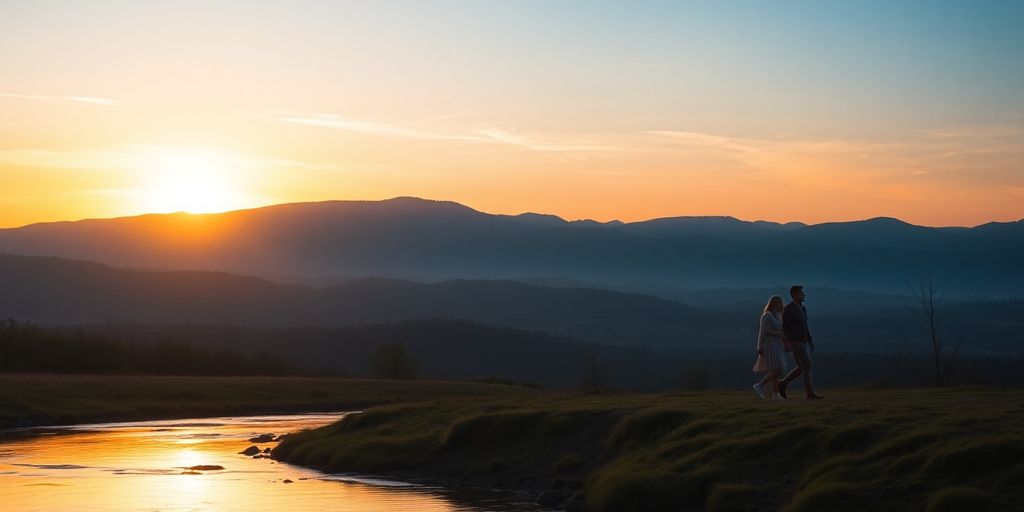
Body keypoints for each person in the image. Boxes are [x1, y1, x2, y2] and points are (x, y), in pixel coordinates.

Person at [778, 285, 822, 399]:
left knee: (803, 367)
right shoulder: (788, 309)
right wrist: (787, 342)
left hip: (804, 341)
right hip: (795, 341)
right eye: (801, 293)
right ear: (794, 294)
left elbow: (805, 326)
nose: (804, 295)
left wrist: (810, 340)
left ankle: (783, 383)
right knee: (807, 365)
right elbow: (784, 327)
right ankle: (809, 393)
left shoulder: (802, 308)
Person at [752, 295, 788, 400]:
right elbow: (765, 331)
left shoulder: (778, 315)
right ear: (774, 303)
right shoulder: (767, 316)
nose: (781, 304)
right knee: (779, 369)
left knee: (776, 369)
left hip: (777, 344)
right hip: (769, 345)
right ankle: (760, 385)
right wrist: (760, 346)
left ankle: (776, 394)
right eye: (779, 303)